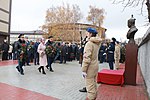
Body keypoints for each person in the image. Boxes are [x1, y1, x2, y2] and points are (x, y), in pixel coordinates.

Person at [81, 27, 101, 100]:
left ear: (90, 34)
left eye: (87, 32)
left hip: (90, 67)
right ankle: (94, 97)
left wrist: (83, 70)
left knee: (90, 87)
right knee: (93, 85)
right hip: (95, 66)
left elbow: (86, 58)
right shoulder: (96, 43)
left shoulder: (89, 44)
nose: (86, 34)